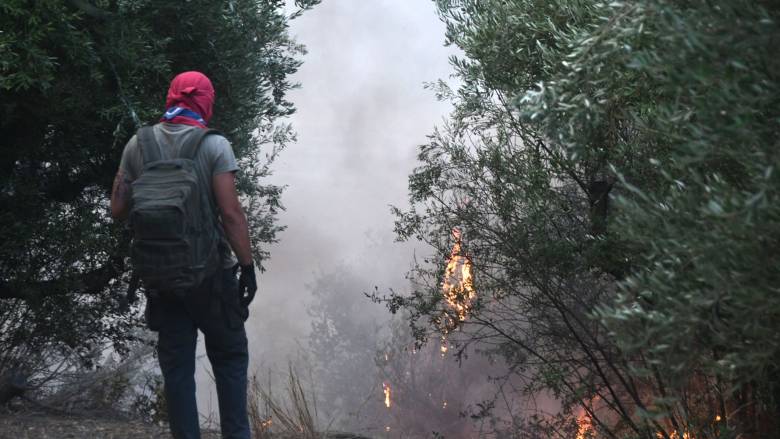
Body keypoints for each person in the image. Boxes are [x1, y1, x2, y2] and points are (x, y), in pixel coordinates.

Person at [110, 71, 257, 439]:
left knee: (177, 369)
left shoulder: (137, 144)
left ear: (171, 97)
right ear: (206, 100)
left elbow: (118, 208)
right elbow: (231, 214)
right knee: (230, 357)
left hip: (162, 278)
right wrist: (247, 266)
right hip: (210, 277)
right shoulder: (214, 145)